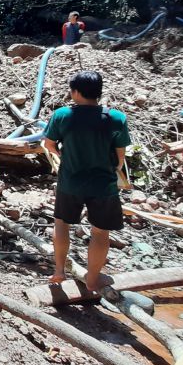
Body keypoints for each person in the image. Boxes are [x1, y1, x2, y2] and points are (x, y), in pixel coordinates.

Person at [42, 71, 131, 292]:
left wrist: (64, 157)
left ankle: (59, 271)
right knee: (100, 232)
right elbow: (121, 154)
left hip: (70, 181)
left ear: (76, 92)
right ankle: (92, 279)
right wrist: (117, 167)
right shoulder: (116, 118)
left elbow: (49, 144)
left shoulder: (62, 115)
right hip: (103, 186)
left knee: (62, 224)